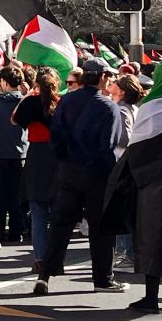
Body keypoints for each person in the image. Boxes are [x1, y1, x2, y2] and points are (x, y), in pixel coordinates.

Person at [33, 57, 127, 295]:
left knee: (59, 224)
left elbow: (56, 134)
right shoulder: (108, 107)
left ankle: (45, 275)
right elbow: (110, 146)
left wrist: (65, 159)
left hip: (69, 170)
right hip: (97, 173)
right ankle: (103, 279)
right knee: (101, 227)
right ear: (103, 77)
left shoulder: (68, 100)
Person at [106, 92, 162, 314]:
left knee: (153, 239)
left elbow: (135, 151)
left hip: (153, 185)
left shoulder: (151, 110)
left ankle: (150, 297)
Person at [107, 73, 145, 272]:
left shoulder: (121, 110)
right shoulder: (134, 108)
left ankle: (126, 254)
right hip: (132, 163)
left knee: (122, 209)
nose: (110, 85)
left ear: (122, 91)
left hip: (122, 163)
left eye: (115, 84)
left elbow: (125, 137)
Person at [0, 66, 27, 244]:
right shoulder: (25, 101)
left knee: (0, 194)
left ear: (4, 82)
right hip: (20, 153)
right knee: (16, 195)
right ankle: (17, 230)